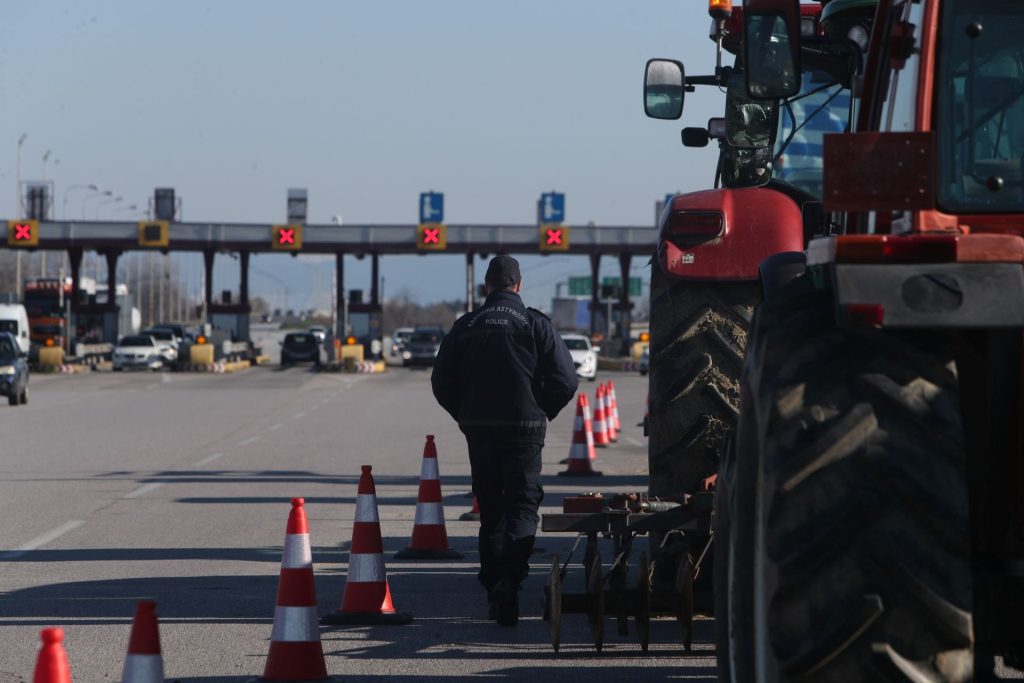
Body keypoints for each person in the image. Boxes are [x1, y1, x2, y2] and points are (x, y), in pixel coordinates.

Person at [431, 255, 578, 626]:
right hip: (525, 432)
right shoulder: (535, 324)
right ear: (518, 285)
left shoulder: (466, 327)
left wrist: (465, 414)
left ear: (487, 286)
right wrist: (541, 409)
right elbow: (566, 380)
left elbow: (440, 381)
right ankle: (511, 581)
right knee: (523, 508)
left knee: (492, 511)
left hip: (480, 431)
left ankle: (494, 581)